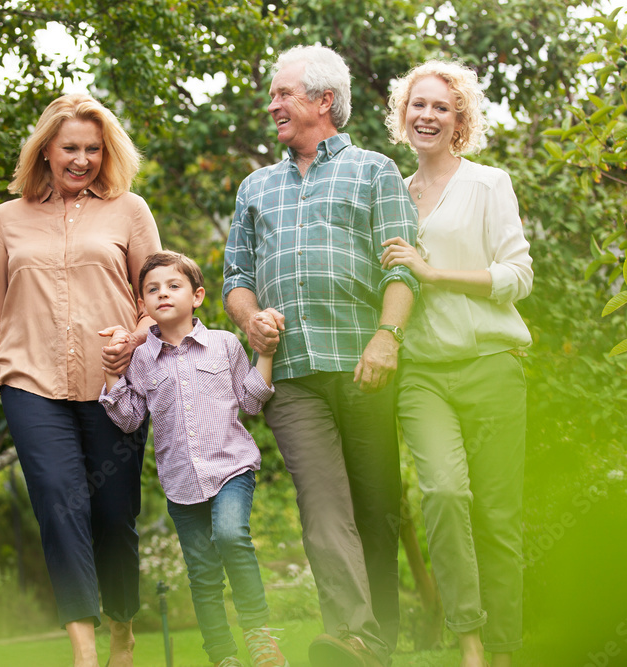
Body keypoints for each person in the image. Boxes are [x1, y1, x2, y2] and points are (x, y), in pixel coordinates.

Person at [0, 93, 161, 667]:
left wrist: (136, 337)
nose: (80, 160)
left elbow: (157, 300)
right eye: (69, 148)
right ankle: (83, 652)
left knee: (113, 514)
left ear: (105, 153)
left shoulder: (130, 210)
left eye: (91, 149)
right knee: (59, 505)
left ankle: (121, 630)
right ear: (46, 152)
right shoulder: (8, 219)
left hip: (115, 389)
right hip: (30, 385)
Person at [223, 45, 420, 667]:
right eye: (275, 94)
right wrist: (251, 319)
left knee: (377, 505)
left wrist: (387, 337)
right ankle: (356, 634)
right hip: (295, 376)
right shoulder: (256, 187)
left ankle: (377, 638)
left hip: (364, 366)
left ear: (323, 101)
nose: (273, 104)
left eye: (284, 94)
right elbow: (235, 278)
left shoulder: (374, 171)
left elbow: (403, 270)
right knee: (323, 502)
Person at [382, 60, 532, 667]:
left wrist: (434, 273)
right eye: (418, 105)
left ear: (459, 120)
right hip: (421, 373)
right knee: (442, 493)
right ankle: (469, 643)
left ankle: (504, 651)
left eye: (442, 107)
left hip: (493, 363)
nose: (428, 115)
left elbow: (517, 276)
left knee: (497, 515)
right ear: (402, 115)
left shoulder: (488, 184)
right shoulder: (392, 190)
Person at [99, 251, 288, 667]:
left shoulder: (224, 344)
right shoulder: (141, 358)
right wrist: (112, 370)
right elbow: (129, 419)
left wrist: (267, 353)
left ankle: (261, 638)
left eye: (173, 286)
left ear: (197, 295)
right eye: (152, 289)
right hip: (182, 485)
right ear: (141, 305)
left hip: (231, 468)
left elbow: (252, 401)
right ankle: (222, 656)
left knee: (230, 535)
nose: (162, 293)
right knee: (202, 574)